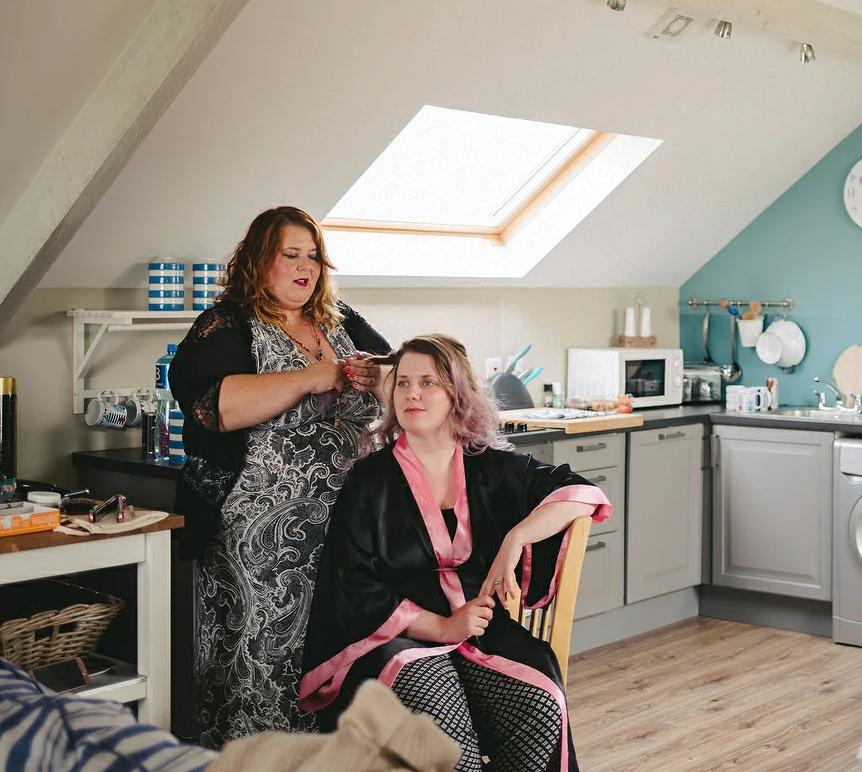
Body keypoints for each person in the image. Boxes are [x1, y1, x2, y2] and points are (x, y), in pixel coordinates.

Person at [299, 334, 611, 772]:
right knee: (443, 728)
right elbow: (354, 585)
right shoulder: (370, 481)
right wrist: (444, 627)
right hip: (395, 641)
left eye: (428, 383)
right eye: (403, 382)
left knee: (539, 706)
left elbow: (581, 494)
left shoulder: (492, 467)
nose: (411, 393)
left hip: (483, 633)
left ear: (457, 394)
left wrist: (515, 538)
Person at [170, 206, 391, 747]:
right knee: (258, 661)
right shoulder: (228, 323)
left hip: (347, 528)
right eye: (289, 254)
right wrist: (312, 377)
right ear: (257, 261)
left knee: (335, 655)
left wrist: (381, 372)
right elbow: (213, 407)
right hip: (259, 535)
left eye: (313, 256)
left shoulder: (341, 321)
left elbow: (401, 369)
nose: (305, 267)